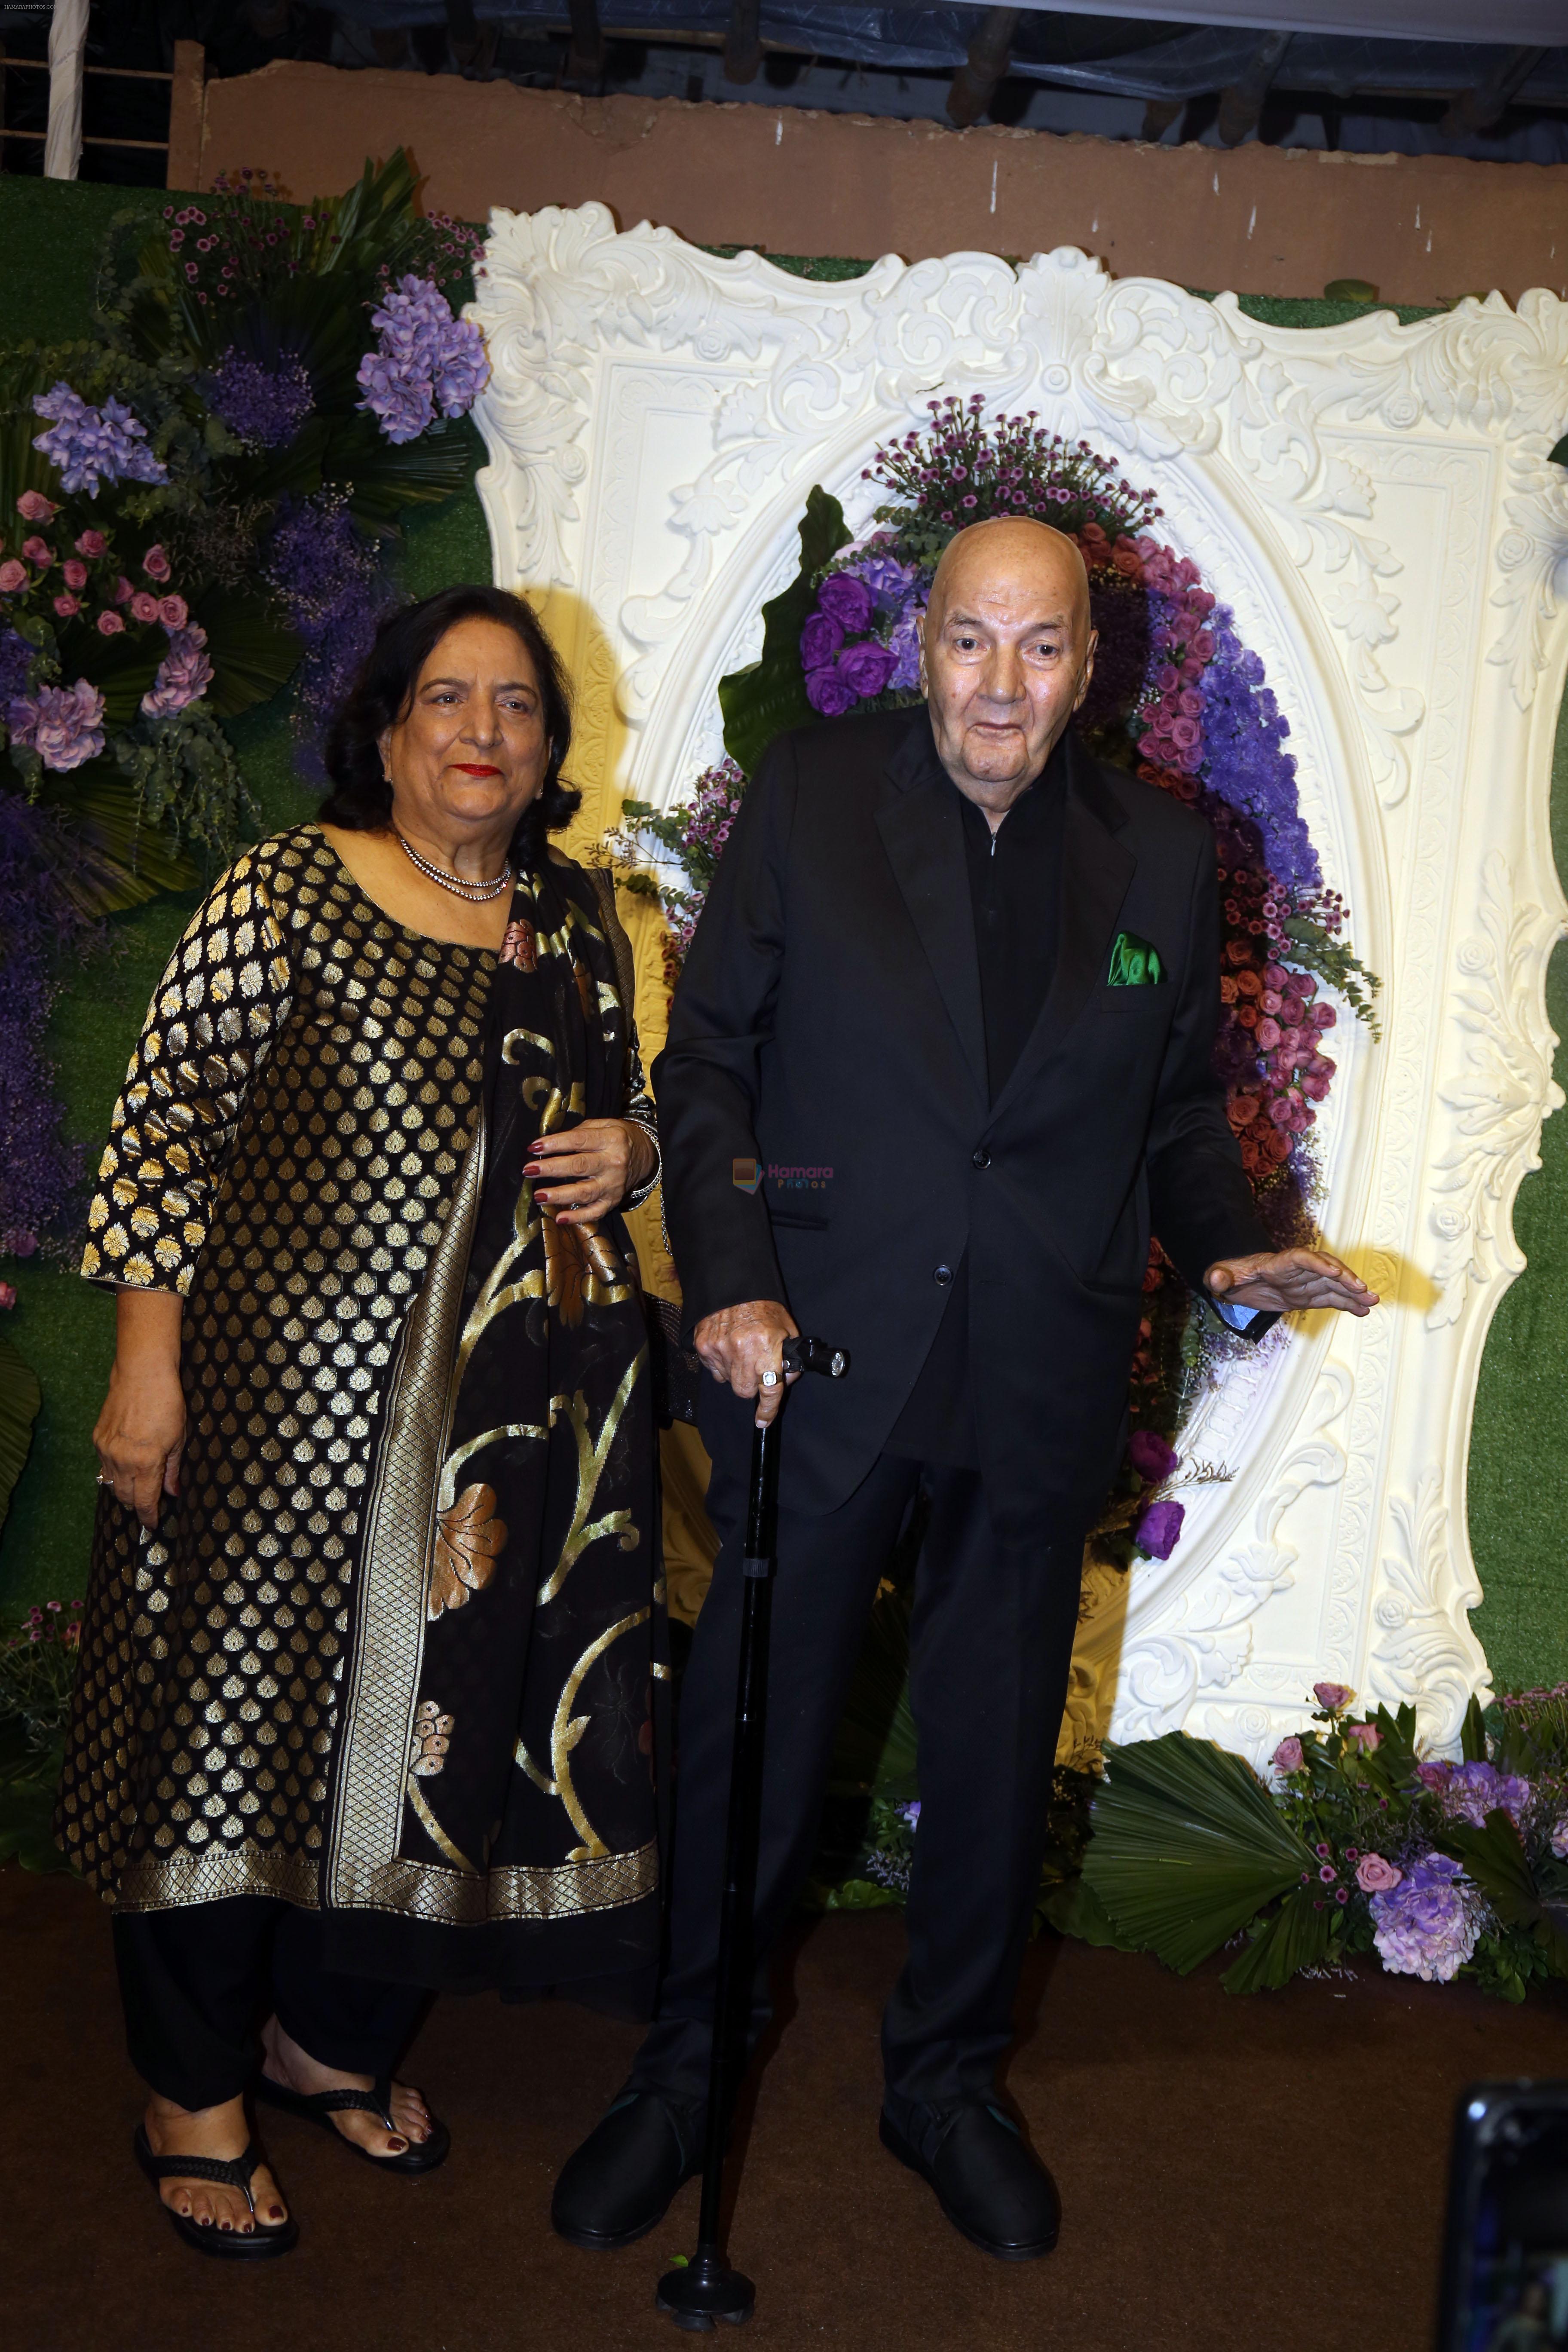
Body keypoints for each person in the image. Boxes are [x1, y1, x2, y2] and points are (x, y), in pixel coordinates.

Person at [552, 517, 1377, 2263]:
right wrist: (742, 1274)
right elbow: (711, 1068)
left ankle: (946, 2084)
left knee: (998, 1760)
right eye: (971, 642)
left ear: (1093, 662)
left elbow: (1173, 1114)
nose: (1002, 686)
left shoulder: (1161, 853)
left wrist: (1229, 1246)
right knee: (751, 1746)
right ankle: (683, 2070)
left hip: (1037, 1374)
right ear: (919, 638)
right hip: (813, 1361)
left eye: (1042, 649)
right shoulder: (809, 795)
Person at [57, 584, 666, 2258]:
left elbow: (617, 1129)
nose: (481, 731)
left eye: (516, 707)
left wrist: (639, 1150)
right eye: (447, 701)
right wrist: (143, 1362)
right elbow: (164, 1126)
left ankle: (323, 2043)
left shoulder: (584, 926)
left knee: (420, 1755)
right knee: (230, 1736)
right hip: (267, 1424)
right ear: (387, 731)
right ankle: (189, 2091)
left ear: (549, 749)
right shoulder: (294, 888)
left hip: (487, 1453)